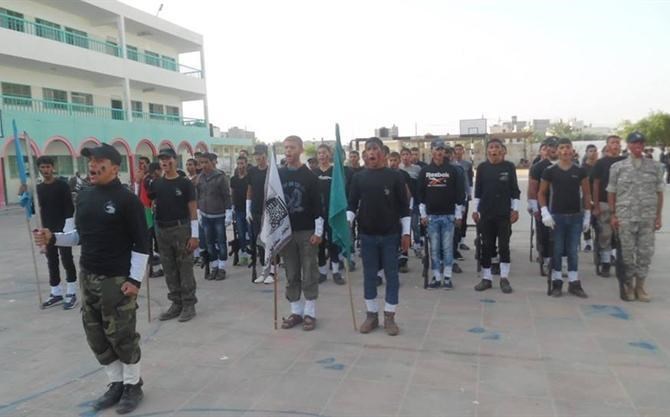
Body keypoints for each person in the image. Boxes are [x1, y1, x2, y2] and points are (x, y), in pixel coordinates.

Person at [33, 143, 149, 414]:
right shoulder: (84, 197)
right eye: (90, 162)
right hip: (89, 276)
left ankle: (133, 384)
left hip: (116, 280)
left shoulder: (127, 200)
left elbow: (142, 244)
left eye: (99, 162)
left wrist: (134, 281)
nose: (93, 166)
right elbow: (78, 236)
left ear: (114, 168)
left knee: (122, 335)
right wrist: (53, 238)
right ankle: (116, 383)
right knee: (95, 334)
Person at [349, 137, 410, 335]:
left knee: (392, 276)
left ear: (383, 153)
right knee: (369, 276)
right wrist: (347, 223)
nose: (371, 152)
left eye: (375, 149)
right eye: (368, 149)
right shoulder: (358, 177)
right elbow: (351, 204)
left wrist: (406, 233)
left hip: (391, 235)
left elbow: (404, 207)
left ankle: (390, 316)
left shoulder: (395, 177)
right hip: (367, 235)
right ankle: (372, 315)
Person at [608, 132, 665, 301]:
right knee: (626, 254)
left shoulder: (655, 167)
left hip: (647, 217)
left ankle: (640, 286)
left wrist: (658, 216)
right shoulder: (617, 167)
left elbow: (659, 193)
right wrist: (613, 215)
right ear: (629, 145)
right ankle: (629, 286)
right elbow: (611, 192)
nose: (638, 146)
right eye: (634, 143)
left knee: (645, 253)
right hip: (625, 217)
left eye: (641, 143)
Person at [278, 135, 323, 331]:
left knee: (309, 271)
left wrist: (318, 232)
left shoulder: (310, 177)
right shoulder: (278, 175)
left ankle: (310, 313)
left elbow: (318, 206)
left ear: (301, 150)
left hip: (307, 231)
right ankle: (296, 311)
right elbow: (273, 204)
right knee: (291, 272)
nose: (288, 151)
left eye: (292, 147)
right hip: (286, 232)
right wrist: (274, 232)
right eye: (286, 147)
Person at [538, 138, 591, 298]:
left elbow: (587, 193)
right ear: (557, 151)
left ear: (572, 150)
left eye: (568, 147)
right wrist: (545, 212)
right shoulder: (550, 171)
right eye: (562, 148)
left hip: (575, 216)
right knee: (557, 250)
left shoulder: (580, 170)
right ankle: (557, 282)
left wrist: (587, 215)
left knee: (573, 251)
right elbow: (541, 193)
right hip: (557, 217)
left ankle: (574, 282)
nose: (565, 151)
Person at [150, 148, 199, 322]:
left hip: (181, 229)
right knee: (169, 269)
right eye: (162, 160)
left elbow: (193, 210)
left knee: (184, 268)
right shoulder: (156, 184)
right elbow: (150, 204)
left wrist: (195, 235)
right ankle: (176, 303)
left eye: (168, 159)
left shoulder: (185, 184)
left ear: (175, 160)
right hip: (162, 230)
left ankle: (189, 304)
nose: (165, 162)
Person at [472, 139, 520, 293]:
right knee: (486, 246)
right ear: (487, 151)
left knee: (504, 246)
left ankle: (504, 278)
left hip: (503, 213)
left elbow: (515, 190)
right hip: (486, 213)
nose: (494, 150)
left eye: (496, 147)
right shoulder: (482, 168)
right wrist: (475, 210)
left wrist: (515, 209)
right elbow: (478, 191)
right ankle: (486, 278)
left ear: (502, 150)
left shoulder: (509, 167)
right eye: (491, 147)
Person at [417, 139, 465, 290]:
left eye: (442, 149)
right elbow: (420, 195)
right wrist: (423, 214)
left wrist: (458, 215)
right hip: (431, 217)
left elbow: (459, 194)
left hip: (448, 216)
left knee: (448, 248)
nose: (439, 152)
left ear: (445, 152)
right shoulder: (425, 171)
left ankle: (448, 277)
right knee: (434, 249)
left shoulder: (453, 171)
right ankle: (437, 277)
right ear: (431, 151)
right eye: (436, 149)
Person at [35, 156, 78, 309]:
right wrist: (28, 202)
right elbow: (37, 209)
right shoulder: (38, 189)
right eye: (42, 167)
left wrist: (68, 226)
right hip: (47, 230)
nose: (45, 170)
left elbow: (69, 207)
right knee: (51, 260)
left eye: (48, 167)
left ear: (53, 168)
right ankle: (56, 292)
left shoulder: (62, 186)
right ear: (39, 169)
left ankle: (71, 292)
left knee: (67, 259)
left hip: (63, 228)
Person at [591, 135, 626, 277]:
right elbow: (595, 184)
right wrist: (596, 205)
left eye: (618, 142)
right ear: (607, 145)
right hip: (604, 202)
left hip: (623, 203)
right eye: (613, 142)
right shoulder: (601, 163)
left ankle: (619, 261)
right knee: (605, 234)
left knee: (622, 234)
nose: (616, 145)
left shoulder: (625, 162)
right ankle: (605, 262)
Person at [195, 152, 232, 280]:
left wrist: (228, 212)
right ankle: (214, 266)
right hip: (205, 215)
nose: (204, 165)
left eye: (206, 162)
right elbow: (198, 195)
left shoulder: (220, 177)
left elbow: (227, 196)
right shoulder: (200, 178)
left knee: (221, 242)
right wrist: (198, 211)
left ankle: (222, 268)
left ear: (212, 162)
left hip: (219, 215)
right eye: (201, 163)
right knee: (209, 243)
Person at [313, 144, 345, 284]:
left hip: (332, 212)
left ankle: (336, 271)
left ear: (329, 154)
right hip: (318, 214)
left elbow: (340, 192)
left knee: (333, 242)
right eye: (319, 153)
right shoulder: (313, 173)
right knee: (320, 243)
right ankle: (322, 272)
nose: (322, 155)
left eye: (324, 152)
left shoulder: (335, 172)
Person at [527, 137, 559, 276]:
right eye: (549, 146)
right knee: (544, 235)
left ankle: (560, 261)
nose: (552, 149)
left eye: (556, 146)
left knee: (561, 235)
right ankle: (546, 259)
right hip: (543, 205)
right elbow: (532, 189)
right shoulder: (538, 167)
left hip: (562, 206)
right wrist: (534, 207)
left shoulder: (569, 164)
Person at [246, 144, 271, 283]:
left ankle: (272, 270)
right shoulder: (252, 171)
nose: (257, 157)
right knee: (259, 240)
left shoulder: (272, 171)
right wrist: (248, 208)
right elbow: (249, 189)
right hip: (255, 210)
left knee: (270, 241)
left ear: (265, 155)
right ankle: (263, 269)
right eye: (256, 155)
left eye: (260, 155)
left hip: (269, 210)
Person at [388, 151, 413, 273]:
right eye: (391, 160)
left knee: (404, 233)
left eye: (395, 160)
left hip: (402, 209)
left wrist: (407, 207)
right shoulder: (386, 174)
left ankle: (404, 260)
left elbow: (409, 192)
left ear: (399, 161)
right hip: (389, 210)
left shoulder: (404, 175)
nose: (392, 163)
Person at [399, 147, 423, 255]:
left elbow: (421, 185)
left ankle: (417, 245)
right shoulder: (399, 169)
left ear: (410, 156)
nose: (405, 157)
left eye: (407, 154)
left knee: (414, 224)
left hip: (414, 201)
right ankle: (404, 249)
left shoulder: (417, 169)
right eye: (403, 155)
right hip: (402, 201)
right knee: (404, 226)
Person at [230, 155, 251, 265]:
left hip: (249, 209)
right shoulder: (233, 179)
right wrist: (232, 207)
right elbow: (232, 193)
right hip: (238, 210)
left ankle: (252, 252)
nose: (240, 166)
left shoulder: (250, 178)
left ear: (246, 164)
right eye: (238, 164)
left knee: (251, 233)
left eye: (242, 163)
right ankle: (243, 253)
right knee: (241, 233)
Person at [452, 144, 474, 251]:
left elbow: (469, 180)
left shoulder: (467, 164)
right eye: (456, 149)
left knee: (463, 218)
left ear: (463, 151)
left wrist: (469, 193)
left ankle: (462, 241)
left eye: (460, 149)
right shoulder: (450, 164)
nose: (458, 151)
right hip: (453, 195)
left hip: (464, 195)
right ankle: (454, 241)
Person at [581, 144, 599, 251]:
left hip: (598, 197)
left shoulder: (600, 166)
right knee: (586, 221)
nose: (593, 153)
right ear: (586, 153)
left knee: (598, 222)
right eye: (590, 151)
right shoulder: (582, 168)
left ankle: (599, 242)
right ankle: (588, 243)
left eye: (595, 151)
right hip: (586, 197)